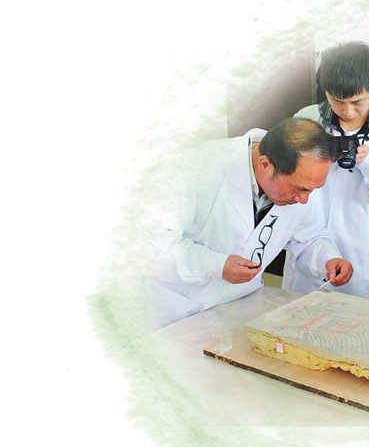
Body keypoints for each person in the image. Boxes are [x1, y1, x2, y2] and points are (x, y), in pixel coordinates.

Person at [148, 118, 354, 329]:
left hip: (241, 304)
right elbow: (151, 247)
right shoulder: (194, 169)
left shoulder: (300, 178)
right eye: (299, 189)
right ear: (265, 165)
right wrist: (217, 265)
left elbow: (309, 236)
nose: (304, 200)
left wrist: (329, 258)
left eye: (312, 190)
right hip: (176, 310)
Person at [283, 41, 369, 302]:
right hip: (307, 257)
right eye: (337, 101)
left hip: (364, 263)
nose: (348, 111)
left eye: (357, 101)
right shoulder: (307, 120)